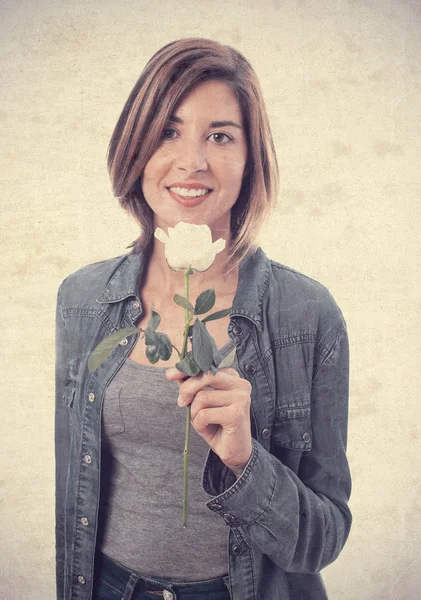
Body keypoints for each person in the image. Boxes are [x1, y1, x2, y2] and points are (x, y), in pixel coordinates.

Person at [55, 37, 352, 600]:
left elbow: (323, 540)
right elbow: (74, 505)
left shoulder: (308, 315)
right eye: (168, 131)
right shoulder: (82, 299)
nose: (192, 161)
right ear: (135, 148)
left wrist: (245, 460)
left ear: (250, 157)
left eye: (220, 136)